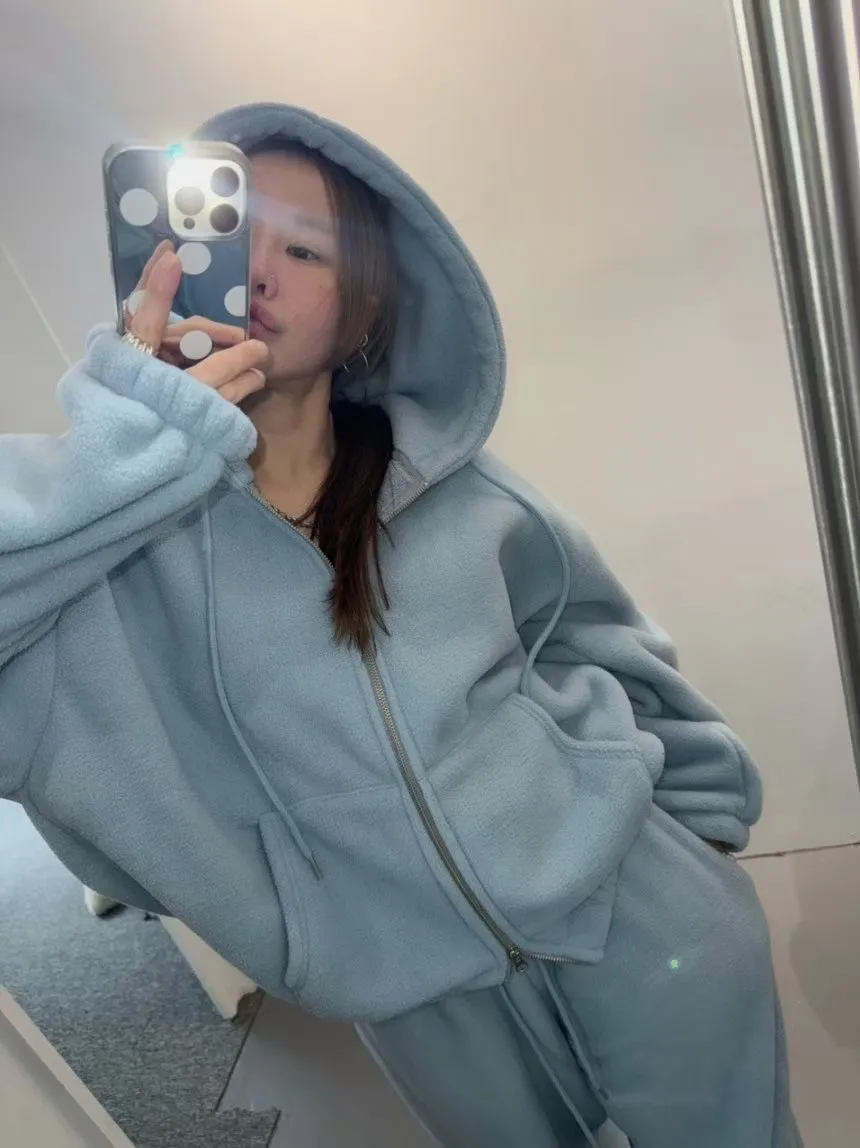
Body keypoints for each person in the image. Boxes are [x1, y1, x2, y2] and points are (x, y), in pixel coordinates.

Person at [0, 103, 801, 1148]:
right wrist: (127, 448)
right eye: (230, 236)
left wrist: (697, 826)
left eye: (304, 249)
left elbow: (598, 637)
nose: (259, 274)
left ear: (364, 311)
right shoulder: (108, 555)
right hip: (420, 999)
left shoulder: (455, 482)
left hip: (638, 907)